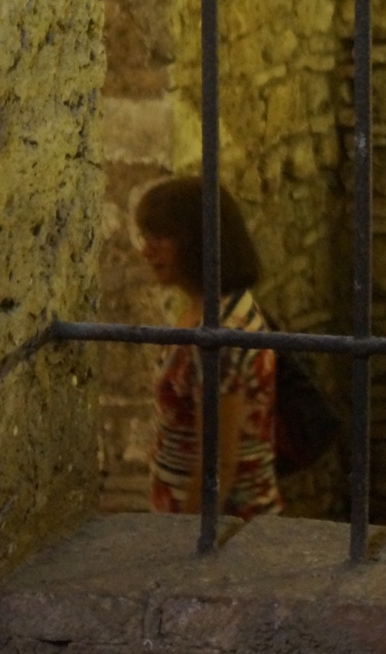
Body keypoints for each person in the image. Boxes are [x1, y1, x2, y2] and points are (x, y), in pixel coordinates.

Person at [136, 176, 282, 520]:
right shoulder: (214, 308)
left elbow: (217, 465)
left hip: (225, 526)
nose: (146, 251)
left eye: (159, 238)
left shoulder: (220, 336)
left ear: (196, 239)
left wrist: (188, 538)